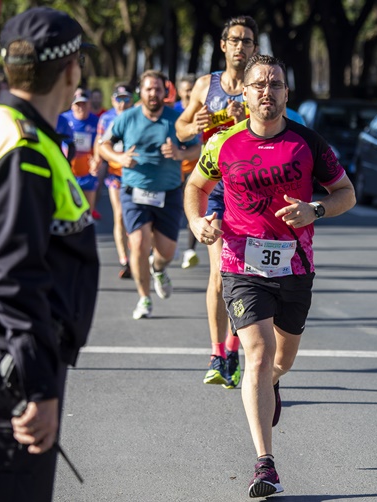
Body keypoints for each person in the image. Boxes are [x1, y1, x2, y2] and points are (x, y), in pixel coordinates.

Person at [0, 7, 98, 500]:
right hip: (11, 361)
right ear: (71, 70)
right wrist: (39, 386)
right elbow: (15, 276)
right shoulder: (21, 149)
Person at [184, 54, 356, 498]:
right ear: (244, 92)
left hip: (296, 266)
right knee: (256, 355)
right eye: (259, 84)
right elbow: (195, 188)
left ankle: (271, 384)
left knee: (281, 361)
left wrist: (313, 209)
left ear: (285, 93)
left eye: (275, 84)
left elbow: (345, 193)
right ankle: (266, 464)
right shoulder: (223, 142)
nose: (267, 91)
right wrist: (197, 222)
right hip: (242, 265)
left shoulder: (307, 142)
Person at [175, 15, 257, 389]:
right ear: (223, 45)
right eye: (235, 39)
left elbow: (279, 124)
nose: (241, 46)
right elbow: (180, 126)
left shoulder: (260, 84)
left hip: (252, 189)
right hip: (215, 186)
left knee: (248, 273)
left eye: (248, 41)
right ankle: (217, 353)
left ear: (255, 48)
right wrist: (194, 126)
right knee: (220, 273)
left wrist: (251, 117)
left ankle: (234, 348)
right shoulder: (205, 85)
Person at [99, 69, 200, 320]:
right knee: (139, 245)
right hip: (134, 192)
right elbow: (104, 145)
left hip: (168, 192)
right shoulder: (127, 118)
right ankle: (144, 298)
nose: (153, 93)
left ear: (165, 92)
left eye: (157, 89)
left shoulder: (176, 119)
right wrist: (120, 158)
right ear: (140, 93)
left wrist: (180, 154)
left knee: (166, 252)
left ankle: (159, 269)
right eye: (148, 89)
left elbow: (198, 148)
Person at [93, 82, 135, 279]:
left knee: (134, 217)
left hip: (136, 173)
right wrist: (96, 160)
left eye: (126, 99)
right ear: (112, 101)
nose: (122, 104)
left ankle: (137, 251)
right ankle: (124, 260)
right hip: (115, 173)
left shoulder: (137, 115)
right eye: (119, 99)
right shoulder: (106, 117)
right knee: (119, 215)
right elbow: (100, 142)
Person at [173, 73, 200, 270]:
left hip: (196, 167)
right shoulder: (173, 111)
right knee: (175, 209)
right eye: (186, 89)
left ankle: (190, 250)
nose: (189, 93)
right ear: (180, 91)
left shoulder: (203, 111)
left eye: (192, 89)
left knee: (194, 208)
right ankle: (171, 244)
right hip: (174, 169)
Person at [61, 89, 100, 214]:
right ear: (72, 105)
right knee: (69, 213)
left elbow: (100, 145)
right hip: (68, 174)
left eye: (84, 104)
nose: (81, 108)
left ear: (89, 104)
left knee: (87, 214)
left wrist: (97, 159)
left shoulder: (96, 121)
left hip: (88, 173)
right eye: (78, 104)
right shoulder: (63, 120)